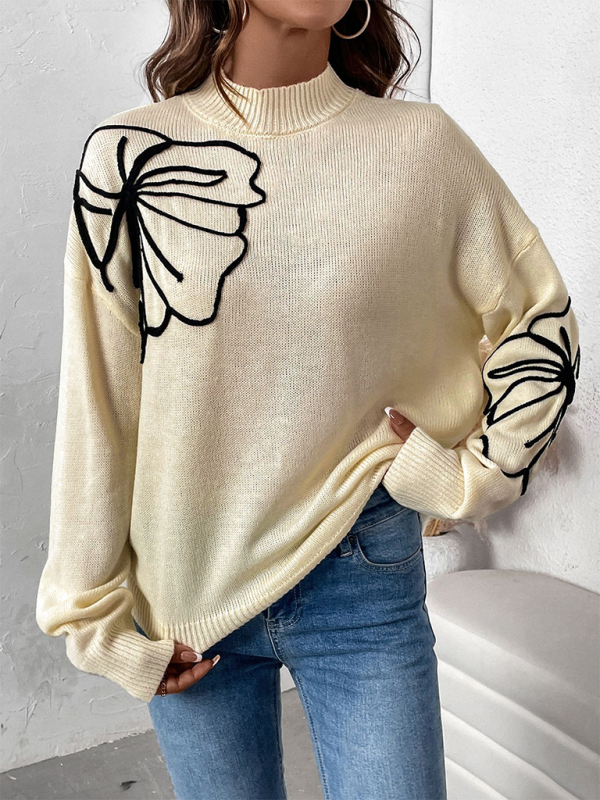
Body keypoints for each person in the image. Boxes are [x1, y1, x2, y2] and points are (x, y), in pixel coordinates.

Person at [35, 1, 581, 798]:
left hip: (361, 572)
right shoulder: (132, 159)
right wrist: (93, 618)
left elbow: (539, 320)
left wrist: (468, 476)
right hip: (183, 579)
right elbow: (100, 397)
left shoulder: (421, 147)